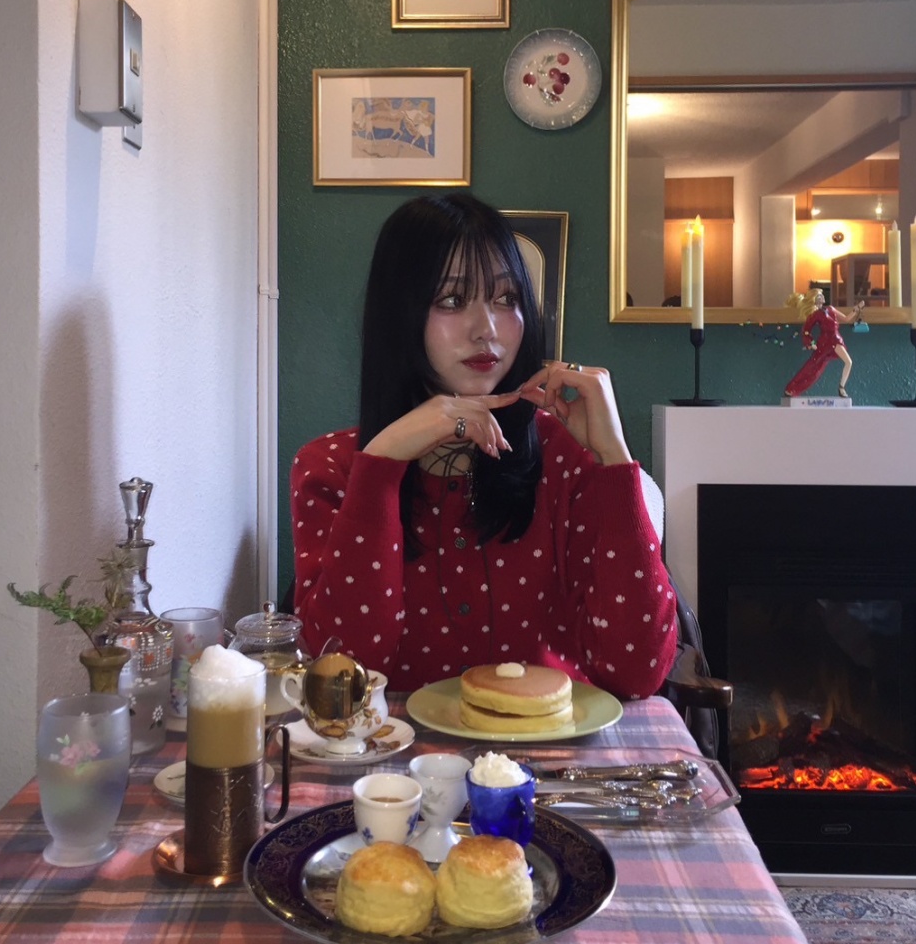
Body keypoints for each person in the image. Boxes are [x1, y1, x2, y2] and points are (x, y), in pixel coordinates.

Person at [290, 193, 677, 701]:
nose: (487, 330)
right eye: (452, 300)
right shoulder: (331, 467)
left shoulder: (564, 454)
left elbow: (636, 671)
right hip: (397, 751)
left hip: (550, 742)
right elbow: (343, 677)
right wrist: (381, 464)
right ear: (399, 314)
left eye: (506, 298)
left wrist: (614, 458)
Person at [783, 288, 865, 399]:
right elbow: (806, 330)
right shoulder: (815, 314)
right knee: (813, 367)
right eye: (819, 296)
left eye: (821, 295)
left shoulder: (831, 309)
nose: (822, 297)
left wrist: (857, 308)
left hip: (836, 339)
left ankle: (841, 388)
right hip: (825, 342)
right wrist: (811, 342)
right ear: (814, 300)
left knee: (848, 362)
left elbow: (846, 319)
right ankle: (791, 388)